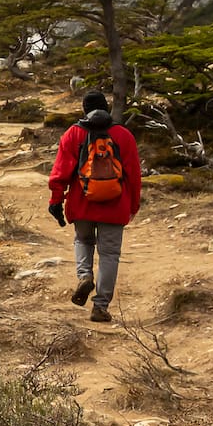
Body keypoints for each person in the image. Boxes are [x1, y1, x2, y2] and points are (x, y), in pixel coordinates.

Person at [48, 90, 142, 322]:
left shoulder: (73, 134)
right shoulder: (123, 135)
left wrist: (56, 200)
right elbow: (134, 175)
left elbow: (60, 173)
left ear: (84, 110)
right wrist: (133, 204)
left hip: (82, 204)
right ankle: (100, 306)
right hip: (115, 205)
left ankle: (84, 276)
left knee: (83, 240)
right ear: (106, 108)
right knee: (109, 254)